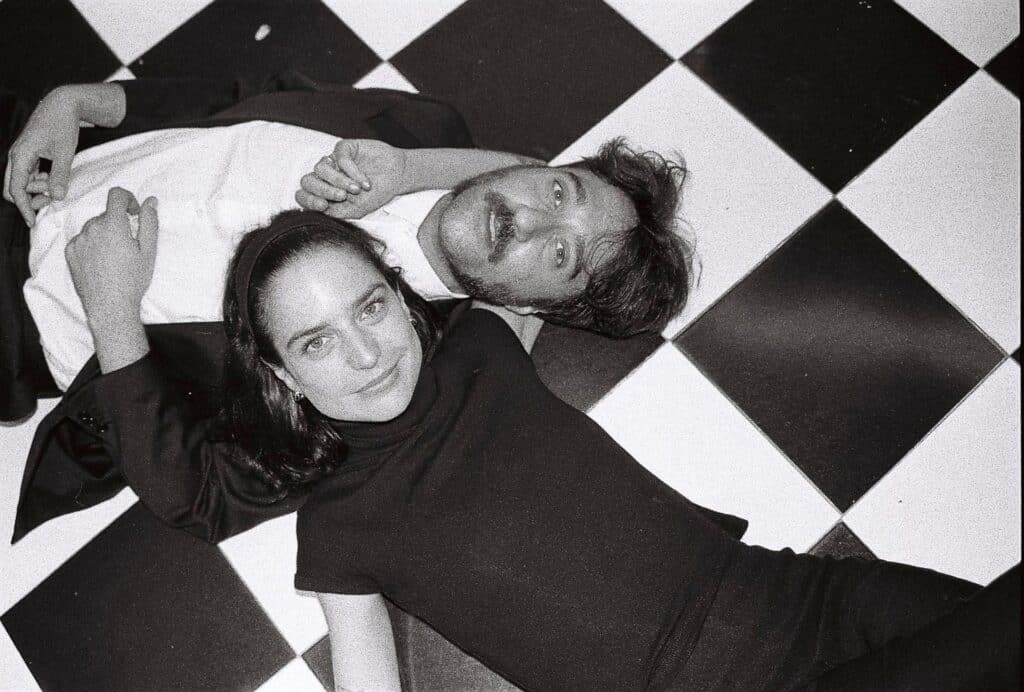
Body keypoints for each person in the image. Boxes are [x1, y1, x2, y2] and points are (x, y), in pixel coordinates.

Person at [37, 193, 1019, 690]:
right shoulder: (337, 524)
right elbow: (193, 502)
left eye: (370, 305)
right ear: (286, 376)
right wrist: (115, 311)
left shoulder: (481, 341)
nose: (365, 352)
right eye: (316, 341)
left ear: (402, 299)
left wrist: (399, 174)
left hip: (814, 600)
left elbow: (515, 206)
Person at [5, 79, 690, 395]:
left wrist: (113, 313)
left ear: (531, 306)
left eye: (561, 253)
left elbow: (202, 485)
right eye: (561, 191)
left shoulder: (381, 362)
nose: (528, 218)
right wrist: (76, 102)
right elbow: (240, 98)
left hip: (21, 322)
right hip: (38, 156)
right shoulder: (421, 128)